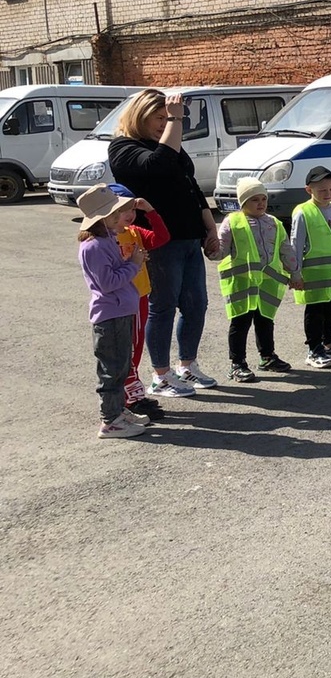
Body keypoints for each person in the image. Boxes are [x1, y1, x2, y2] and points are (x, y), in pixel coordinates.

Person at [108, 89, 218, 396]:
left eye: (164, 117)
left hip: (189, 238)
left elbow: (191, 187)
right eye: (158, 117)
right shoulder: (123, 147)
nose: (164, 123)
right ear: (139, 115)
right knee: (163, 307)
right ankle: (161, 374)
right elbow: (159, 165)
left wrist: (209, 228)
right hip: (158, 242)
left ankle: (187, 365)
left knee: (197, 305)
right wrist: (175, 118)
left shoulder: (169, 145)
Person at [208, 177, 298, 382]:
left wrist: (295, 273)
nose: (261, 204)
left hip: (267, 285)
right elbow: (221, 249)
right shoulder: (233, 221)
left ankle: (267, 356)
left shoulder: (273, 222)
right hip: (242, 284)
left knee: (265, 320)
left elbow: (286, 249)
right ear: (243, 203)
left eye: (263, 199)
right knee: (240, 323)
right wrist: (212, 251)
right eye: (254, 200)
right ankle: (237, 363)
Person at [76, 185, 148, 439]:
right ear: (103, 218)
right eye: (115, 213)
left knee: (120, 365)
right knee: (112, 369)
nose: (121, 216)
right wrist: (134, 265)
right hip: (110, 314)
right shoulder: (94, 246)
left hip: (119, 311)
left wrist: (131, 263)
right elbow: (108, 283)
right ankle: (110, 420)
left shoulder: (107, 240)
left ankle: (118, 410)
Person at [105, 184, 170, 420]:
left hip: (140, 297)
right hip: (123, 301)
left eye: (132, 207)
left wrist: (150, 211)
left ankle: (130, 395)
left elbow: (162, 237)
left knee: (136, 348)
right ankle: (133, 398)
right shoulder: (107, 238)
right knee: (127, 349)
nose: (130, 213)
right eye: (124, 209)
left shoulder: (134, 232)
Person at [291, 166, 331, 368]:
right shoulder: (303, 212)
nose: (328, 194)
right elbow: (296, 244)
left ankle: (330, 344)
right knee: (315, 312)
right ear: (309, 190)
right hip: (313, 275)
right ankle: (314, 349)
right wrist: (295, 273)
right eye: (322, 190)